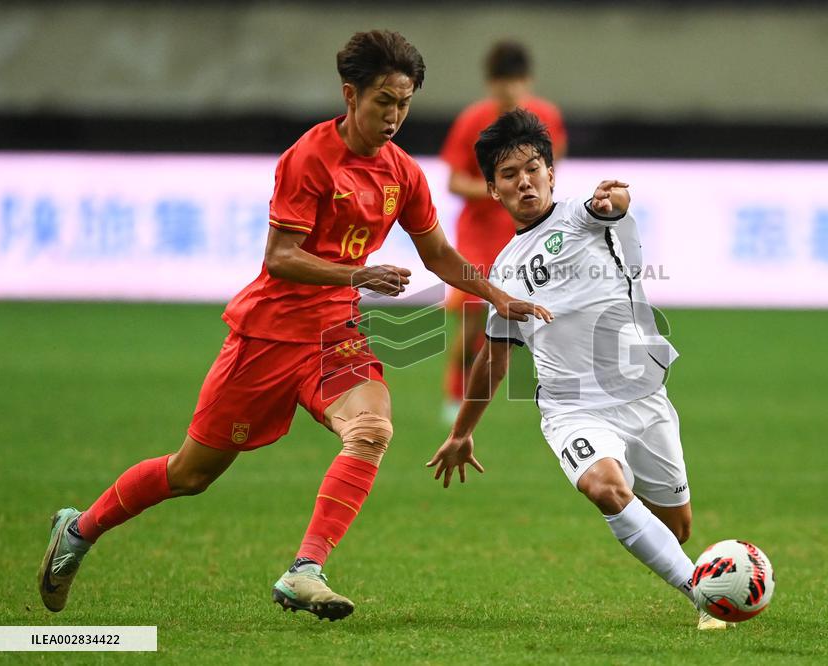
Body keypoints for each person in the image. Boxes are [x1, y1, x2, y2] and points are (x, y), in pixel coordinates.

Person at [38, 30, 550, 622]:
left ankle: (305, 569)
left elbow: (436, 252)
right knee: (190, 473)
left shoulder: (402, 173)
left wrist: (495, 294)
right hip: (269, 335)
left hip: (335, 336)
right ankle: (79, 529)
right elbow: (280, 257)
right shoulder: (309, 159)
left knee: (372, 429)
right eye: (384, 100)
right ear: (350, 94)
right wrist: (357, 275)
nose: (394, 116)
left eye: (404, 103)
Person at [425, 109, 727, 630]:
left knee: (676, 528)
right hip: (571, 409)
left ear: (551, 172)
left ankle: (697, 573)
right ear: (493, 191)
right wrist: (462, 433)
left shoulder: (583, 215)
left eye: (533, 168)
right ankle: (705, 597)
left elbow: (610, 205)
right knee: (606, 489)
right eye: (509, 175)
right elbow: (495, 356)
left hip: (640, 395)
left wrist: (614, 200)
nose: (525, 181)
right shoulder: (503, 270)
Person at [439, 40, 567, 422]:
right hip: (479, 234)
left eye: (515, 82)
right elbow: (454, 182)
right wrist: (496, 190)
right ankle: (454, 393)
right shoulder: (471, 121)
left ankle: (555, 393)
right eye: (501, 83)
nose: (509, 91)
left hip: (528, 233)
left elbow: (550, 165)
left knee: (544, 316)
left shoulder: (546, 116)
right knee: (474, 316)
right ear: (490, 84)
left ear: (527, 81)